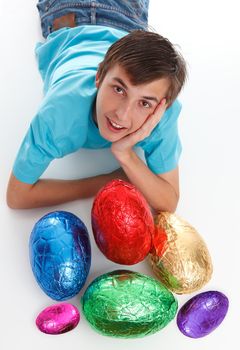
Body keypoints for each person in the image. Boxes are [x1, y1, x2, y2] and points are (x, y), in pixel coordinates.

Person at [6, 0, 187, 212]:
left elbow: (168, 202)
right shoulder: (60, 112)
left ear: (161, 107)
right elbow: (16, 196)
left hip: (126, 19)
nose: (122, 114)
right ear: (99, 76)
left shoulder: (162, 112)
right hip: (72, 11)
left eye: (144, 103)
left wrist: (125, 155)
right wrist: (102, 182)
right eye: (119, 89)